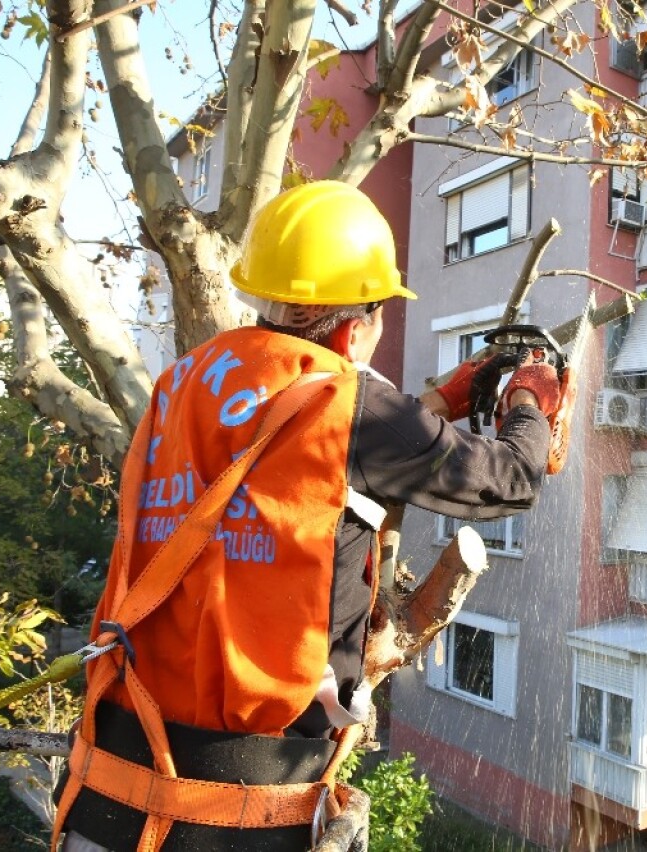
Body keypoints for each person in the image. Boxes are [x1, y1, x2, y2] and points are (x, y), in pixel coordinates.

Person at [54, 181, 564, 851]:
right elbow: (511, 479)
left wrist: (437, 401)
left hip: (108, 790)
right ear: (358, 326)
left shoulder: (181, 382)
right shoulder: (343, 400)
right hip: (235, 816)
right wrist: (530, 399)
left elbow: (295, 466)